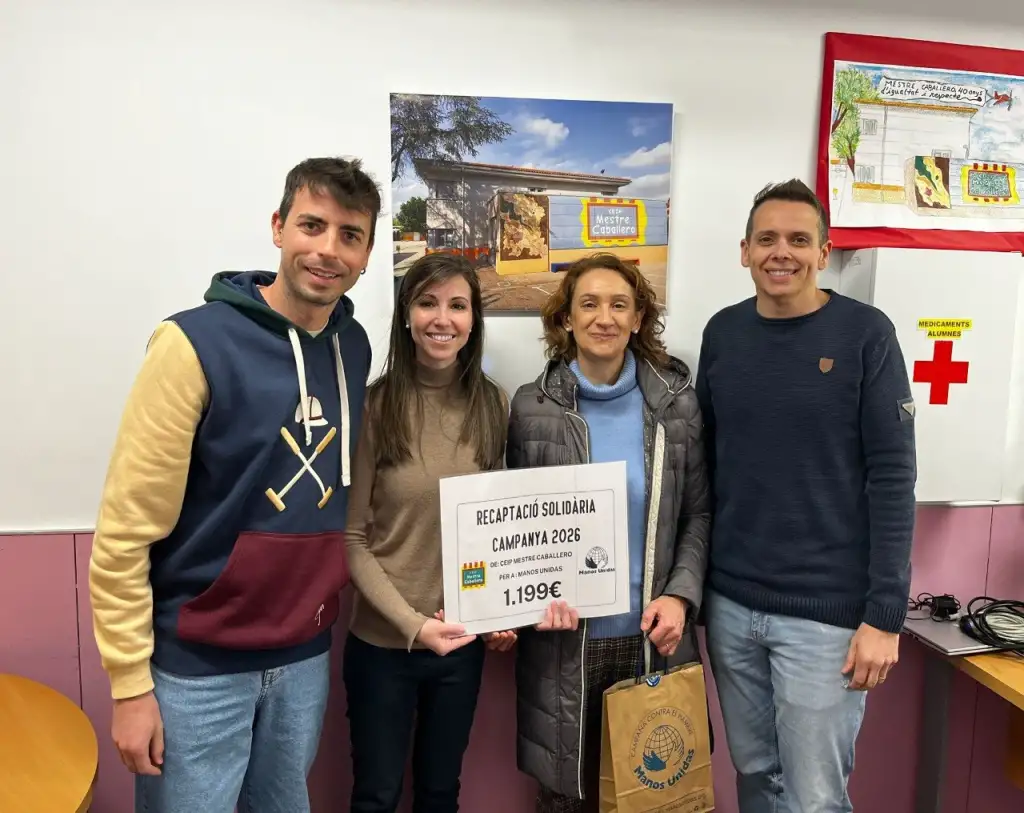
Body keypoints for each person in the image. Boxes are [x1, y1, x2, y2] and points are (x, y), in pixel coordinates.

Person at [88, 156, 382, 813]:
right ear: (278, 227)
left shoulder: (353, 347)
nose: (328, 250)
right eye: (312, 225)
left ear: (366, 255)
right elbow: (126, 531)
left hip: (303, 656)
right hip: (196, 666)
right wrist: (130, 685)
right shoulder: (190, 344)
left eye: (350, 235)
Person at [695, 179, 917, 812]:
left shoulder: (866, 334)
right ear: (744, 251)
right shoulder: (723, 333)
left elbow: (893, 477)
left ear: (823, 252)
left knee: (815, 798)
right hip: (732, 605)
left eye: (799, 239)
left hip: (826, 616)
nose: (781, 252)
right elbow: (706, 464)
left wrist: (885, 616)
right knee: (755, 777)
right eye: (767, 239)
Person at [506, 253, 711, 813]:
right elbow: (515, 526)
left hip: (653, 637)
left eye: (620, 305)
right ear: (566, 318)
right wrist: (526, 601)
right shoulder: (531, 407)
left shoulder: (675, 405)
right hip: (565, 645)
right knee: (565, 801)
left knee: (653, 801)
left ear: (639, 318)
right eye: (589, 304)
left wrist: (680, 596)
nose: (604, 317)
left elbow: (697, 514)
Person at [343, 251, 516, 813]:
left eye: (457, 306)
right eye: (427, 303)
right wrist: (413, 624)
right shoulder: (375, 406)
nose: (443, 319)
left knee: (441, 794)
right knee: (376, 796)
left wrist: (498, 613)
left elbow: (499, 528)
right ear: (407, 315)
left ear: (473, 320)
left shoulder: (493, 404)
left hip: (459, 644)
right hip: (382, 646)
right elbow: (352, 539)